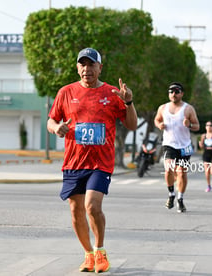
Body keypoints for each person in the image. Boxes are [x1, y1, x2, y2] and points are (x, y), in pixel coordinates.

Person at [47, 47, 137, 273]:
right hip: (74, 161)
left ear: (100, 67)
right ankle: (88, 254)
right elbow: (51, 121)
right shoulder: (66, 92)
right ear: (78, 67)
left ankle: (100, 251)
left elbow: (132, 124)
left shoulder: (112, 93)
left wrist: (129, 103)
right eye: (82, 64)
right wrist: (57, 128)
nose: (87, 69)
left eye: (91, 64)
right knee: (76, 210)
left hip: (101, 163)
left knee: (91, 206)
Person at [154, 82, 199, 213]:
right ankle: (171, 194)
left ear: (181, 93)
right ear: (168, 94)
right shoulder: (162, 108)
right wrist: (159, 125)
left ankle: (180, 198)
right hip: (169, 144)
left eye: (177, 91)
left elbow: (197, 126)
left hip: (184, 146)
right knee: (168, 169)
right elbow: (157, 120)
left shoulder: (188, 109)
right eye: (171, 91)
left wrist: (189, 124)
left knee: (181, 172)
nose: (174, 94)